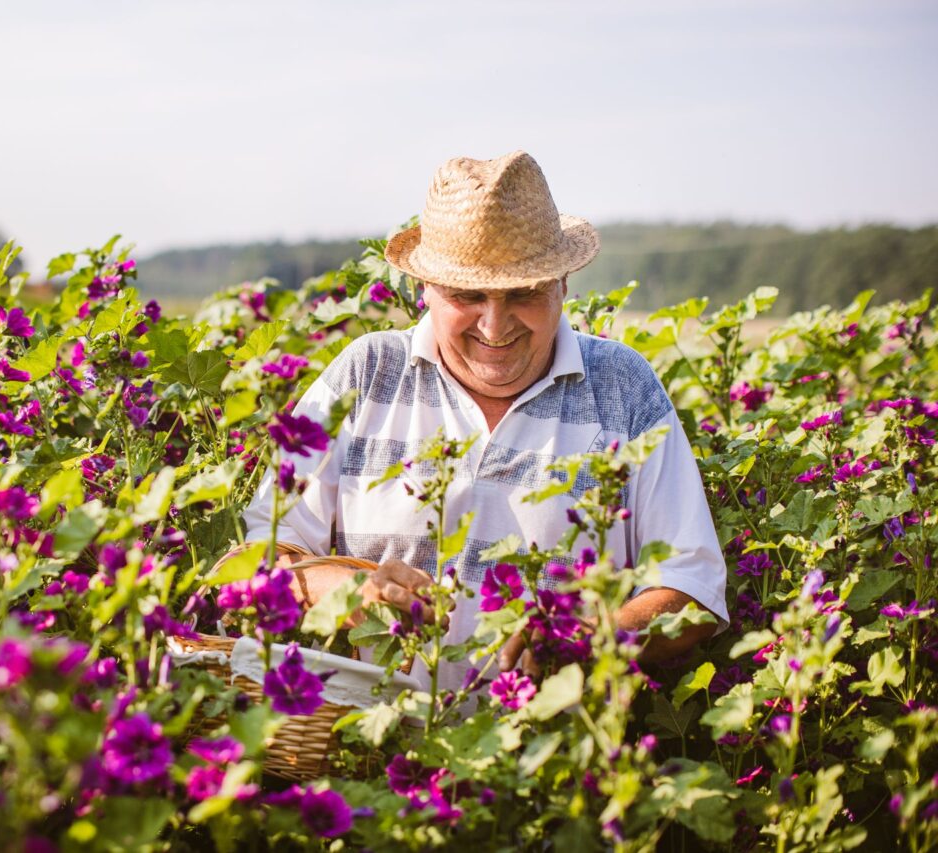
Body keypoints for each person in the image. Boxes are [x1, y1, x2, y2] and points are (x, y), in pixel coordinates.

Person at [241, 151, 727, 692]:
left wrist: (592, 636)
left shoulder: (622, 385)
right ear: (425, 289)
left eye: (523, 292)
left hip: (559, 764)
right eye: (467, 295)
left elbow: (693, 590)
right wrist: (351, 592)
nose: (495, 325)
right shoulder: (366, 374)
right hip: (370, 756)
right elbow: (257, 559)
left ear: (563, 284)